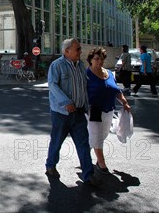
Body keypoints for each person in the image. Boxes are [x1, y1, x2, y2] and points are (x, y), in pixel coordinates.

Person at [45, 38, 100, 186]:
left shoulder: (81, 65)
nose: (80, 52)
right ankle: (50, 166)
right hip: (62, 113)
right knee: (57, 141)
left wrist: (88, 105)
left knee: (83, 144)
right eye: (78, 49)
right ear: (66, 51)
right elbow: (53, 85)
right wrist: (66, 102)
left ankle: (88, 175)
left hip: (79, 112)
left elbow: (83, 87)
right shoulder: (57, 65)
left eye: (80, 49)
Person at [86, 47, 131, 174]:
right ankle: (102, 164)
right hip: (93, 109)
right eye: (96, 59)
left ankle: (85, 154)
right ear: (90, 59)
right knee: (97, 136)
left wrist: (125, 102)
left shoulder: (109, 73)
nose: (99, 61)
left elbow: (116, 90)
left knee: (103, 134)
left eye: (101, 59)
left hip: (108, 109)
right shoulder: (86, 74)